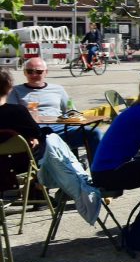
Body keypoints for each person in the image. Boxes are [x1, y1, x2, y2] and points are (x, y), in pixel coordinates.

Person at [0, 69, 101, 223]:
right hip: (20, 164)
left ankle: (41, 188)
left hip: (6, 164)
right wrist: (35, 137)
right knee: (50, 141)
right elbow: (38, 134)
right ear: (9, 86)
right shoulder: (17, 112)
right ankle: (50, 183)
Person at [9, 58, 101, 161]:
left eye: (39, 72)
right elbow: (12, 114)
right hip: (34, 129)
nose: (34, 75)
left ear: (46, 72)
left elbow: (71, 111)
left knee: (94, 133)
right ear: (24, 73)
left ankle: (98, 169)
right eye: (30, 71)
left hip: (60, 127)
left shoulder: (58, 89)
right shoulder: (15, 91)